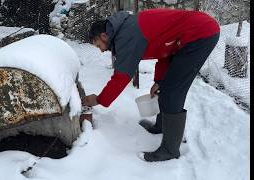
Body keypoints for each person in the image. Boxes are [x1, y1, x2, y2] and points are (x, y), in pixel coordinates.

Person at [81, 8, 220, 162]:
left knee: (172, 92)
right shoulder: (127, 29)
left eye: (98, 45)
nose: (101, 50)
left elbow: (121, 77)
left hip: (200, 34)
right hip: (191, 35)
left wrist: (99, 99)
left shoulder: (126, 35)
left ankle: (170, 150)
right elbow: (165, 50)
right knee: (166, 87)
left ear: (104, 35)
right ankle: (161, 126)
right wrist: (159, 81)